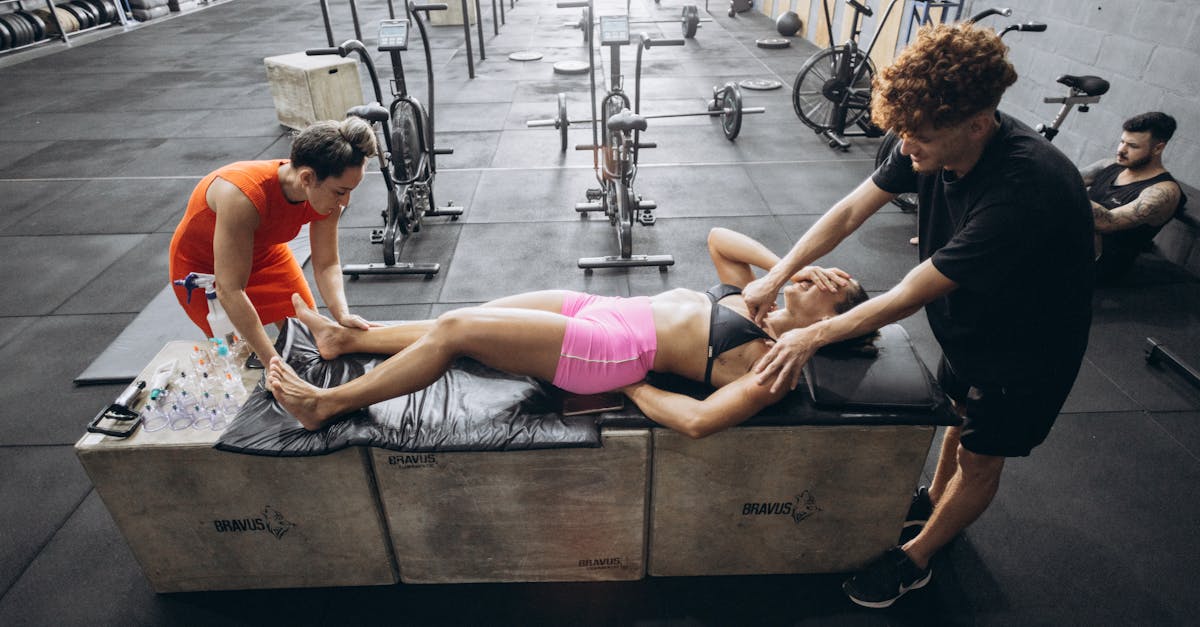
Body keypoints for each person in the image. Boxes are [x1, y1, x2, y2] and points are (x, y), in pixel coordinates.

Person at [740, 23, 1095, 608]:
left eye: (921, 138)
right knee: (954, 414)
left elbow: (912, 290)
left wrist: (811, 336)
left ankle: (917, 558)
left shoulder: (1025, 188)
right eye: (902, 132)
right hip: (971, 320)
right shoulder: (922, 136)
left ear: (978, 124)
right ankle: (932, 497)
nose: (907, 147)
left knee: (980, 457)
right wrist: (776, 277)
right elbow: (852, 209)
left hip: (1029, 347)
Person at [265, 227, 873, 435]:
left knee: (455, 328)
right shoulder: (758, 297)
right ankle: (345, 341)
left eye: (838, 287)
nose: (828, 278)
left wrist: (632, 388)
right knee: (475, 318)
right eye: (830, 274)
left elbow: (698, 421)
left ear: (834, 321)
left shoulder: (774, 363)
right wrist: (790, 266)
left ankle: (325, 404)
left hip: (610, 352)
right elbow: (718, 239)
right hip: (594, 308)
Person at [169, 118, 377, 366]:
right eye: (341, 191)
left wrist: (341, 314)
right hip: (205, 267)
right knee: (239, 358)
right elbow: (230, 289)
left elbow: (326, 262)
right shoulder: (242, 196)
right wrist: (273, 362)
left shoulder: (326, 196)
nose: (346, 202)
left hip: (266, 255)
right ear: (307, 178)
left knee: (307, 337)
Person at [1079, 112, 1186, 284]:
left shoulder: (1164, 192)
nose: (1121, 150)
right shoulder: (1109, 165)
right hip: (1072, 240)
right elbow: (1067, 178)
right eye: (1122, 142)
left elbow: (1108, 222)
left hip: (1099, 265)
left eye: (1133, 146)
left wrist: (1063, 188)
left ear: (1158, 148)